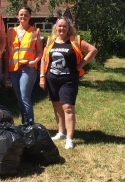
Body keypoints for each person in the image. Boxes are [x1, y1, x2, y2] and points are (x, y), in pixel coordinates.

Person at [39, 17, 97, 149]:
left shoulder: (75, 41)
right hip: (52, 78)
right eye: (59, 26)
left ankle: (70, 138)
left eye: (64, 26)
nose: (61, 29)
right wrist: (42, 76)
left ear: (68, 28)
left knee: (68, 108)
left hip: (69, 79)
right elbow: (43, 59)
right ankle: (61, 132)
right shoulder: (50, 41)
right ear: (56, 28)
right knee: (57, 106)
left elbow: (93, 50)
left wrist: (81, 65)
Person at [4, 6, 43, 124]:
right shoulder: (10, 31)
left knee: (25, 96)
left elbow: (40, 51)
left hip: (28, 68)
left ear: (29, 16)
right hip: (13, 69)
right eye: (21, 14)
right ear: (17, 16)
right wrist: (6, 73)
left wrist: (35, 61)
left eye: (26, 14)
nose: (23, 16)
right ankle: (24, 123)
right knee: (20, 98)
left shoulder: (36, 32)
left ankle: (30, 124)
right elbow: (7, 53)